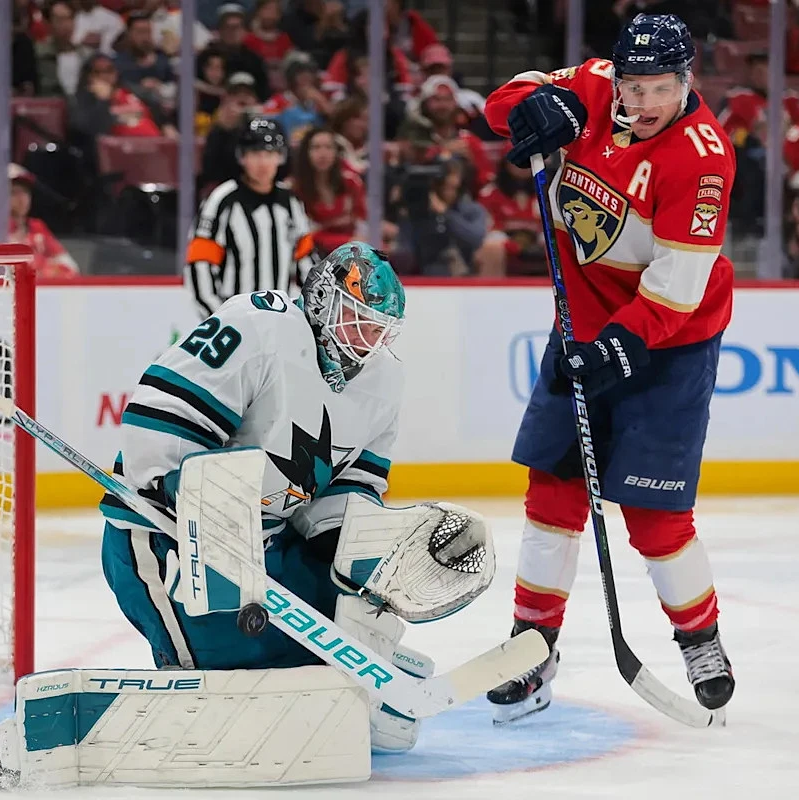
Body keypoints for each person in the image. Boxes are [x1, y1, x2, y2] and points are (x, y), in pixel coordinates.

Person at [481, 13, 737, 723]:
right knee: (552, 495)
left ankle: (700, 641)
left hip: (670, 343)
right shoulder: (594, 87)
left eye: (661, 88)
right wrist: (536, 107)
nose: (644, 102)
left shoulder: (703, 159)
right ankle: (532, 649)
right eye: (634, 86)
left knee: (656, 517)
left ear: (686, 82)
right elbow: (501, 104)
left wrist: (614, 349)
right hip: (579, 325)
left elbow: (677, 289)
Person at [103, 241, 438, 753]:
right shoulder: (260, 325)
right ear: (323, 300)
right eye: (358, 320)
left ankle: (351, 680)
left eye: (379, 329)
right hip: (168, 539)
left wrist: (355, 554)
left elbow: (352, 486)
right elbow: (164, 412)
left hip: (267, 546)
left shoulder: (385, 381)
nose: (368, 340)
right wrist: (180, 491)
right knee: (231, 669)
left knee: (344, 622)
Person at [186, 116, 318, 319]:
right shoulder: (222, 201)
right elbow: (200, 265)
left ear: (280, 157)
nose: (263, 162)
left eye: (270, 154)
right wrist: (220, 320)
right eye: (255, 154)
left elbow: (306, 263)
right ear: (242, 157)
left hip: (279, 320)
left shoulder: (290, 202)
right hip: (232, 322)